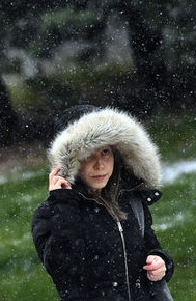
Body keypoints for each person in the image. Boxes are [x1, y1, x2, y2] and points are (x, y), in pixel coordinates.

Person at [32, 105, 174, 300]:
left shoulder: (130, 200)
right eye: (89, 154)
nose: (100, 164)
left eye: (105, 151)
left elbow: (150, 246)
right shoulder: (53, 212)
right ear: (71, 162)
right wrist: (64, 206)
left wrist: (161, 262)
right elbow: (64, 272)